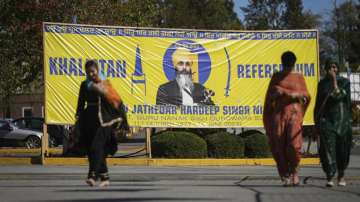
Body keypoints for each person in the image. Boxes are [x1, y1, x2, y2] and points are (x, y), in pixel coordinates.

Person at [76, 60, 129, 187]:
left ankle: (92, 175)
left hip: (105, 120)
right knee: (92, 150)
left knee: (96, 147)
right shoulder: (84, 85)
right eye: (88, 72)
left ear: (97, 70)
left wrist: (124, 120)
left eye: (93, 71)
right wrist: (78, 118)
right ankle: (105, 177)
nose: (91, 74)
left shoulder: (104, 84)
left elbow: (117, 101)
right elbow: (80, 103)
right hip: (89, 120)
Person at [263, 51, 311, 186]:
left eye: (290, 64)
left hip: (294, 114)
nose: (288, 67)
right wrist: (276, 95)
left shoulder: (299, 77)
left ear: (294, 63)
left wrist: (285, 93)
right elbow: (269, 98)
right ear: (282, 63)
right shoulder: (276, 77)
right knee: (278, 146)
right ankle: (285, 174)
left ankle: (295, 171)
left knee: (294, 145)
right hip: (279, 115)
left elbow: (305, 96)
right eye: (286, 64)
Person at [314, 60, 352, 187]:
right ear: (325, 69)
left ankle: (341, 175)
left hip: (342, 122)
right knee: (327, 150)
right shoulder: (322, 84)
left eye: (335, 67)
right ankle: (330, 176)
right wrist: (316, 122)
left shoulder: (345, 82)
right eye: (330, 67)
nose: (333, 69)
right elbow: (318, 103)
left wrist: (334, 81)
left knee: (342, 150)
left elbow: (339, 95)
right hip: (327, 121)